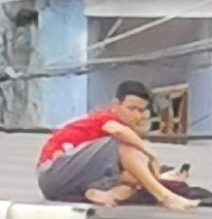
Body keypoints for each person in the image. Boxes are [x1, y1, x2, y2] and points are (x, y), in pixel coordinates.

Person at [37, 80, 198, 210]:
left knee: (137, 179)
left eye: (141, 111)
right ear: (115, 105)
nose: (136, 115)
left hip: (66, 190)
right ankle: (165, 197)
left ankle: (108, 194)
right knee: (126, 145)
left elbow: (138, 172)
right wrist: (151, 153)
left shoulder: (114, 151)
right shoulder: (106, 118)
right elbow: (118, 132)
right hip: (53, 171)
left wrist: (162, 177)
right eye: (131, 108)